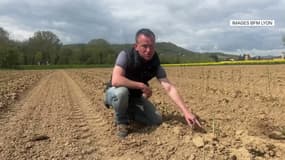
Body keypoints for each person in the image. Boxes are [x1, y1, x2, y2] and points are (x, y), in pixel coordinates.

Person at [104, 28, 201, 138]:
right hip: (115, 92)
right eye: (144, 46)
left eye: (152, 46)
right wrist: (141, 85)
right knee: (121, 93)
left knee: (156, 120)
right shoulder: (125, 55)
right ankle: (121, 121)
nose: (148, 50)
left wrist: (186, 112)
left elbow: (169, 87)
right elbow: (116, 80)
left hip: (134, 97)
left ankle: (128, 110)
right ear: (136, 46)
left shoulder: (155, 63)